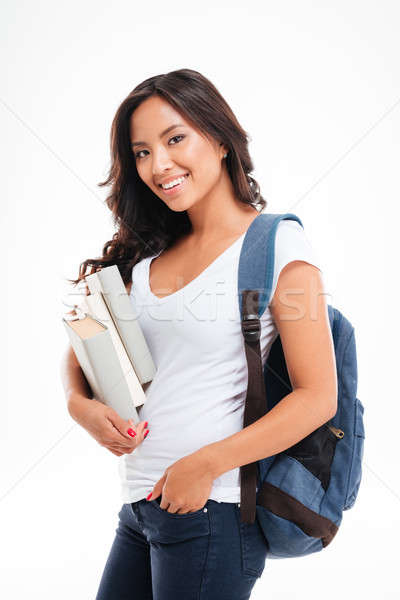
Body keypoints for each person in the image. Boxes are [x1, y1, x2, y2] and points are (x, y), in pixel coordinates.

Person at [60, 68, 337, 600]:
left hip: (213, 510)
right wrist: (80, 405)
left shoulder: (276, 245)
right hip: (141, 508)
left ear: (219, 138)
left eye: (175, 138)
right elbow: (84, 346)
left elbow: (317, 397)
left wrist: (206, 464)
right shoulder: (146, 254)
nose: (158, 165)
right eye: (141, 152)